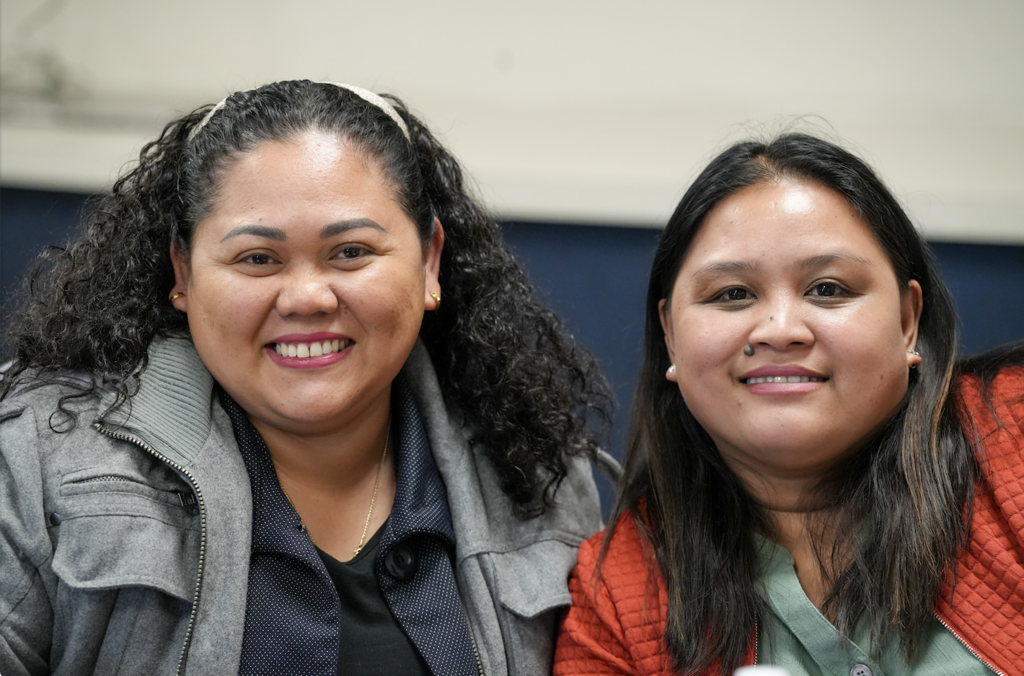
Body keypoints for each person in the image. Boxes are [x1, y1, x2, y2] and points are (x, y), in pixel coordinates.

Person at [0, 80, 615, 676]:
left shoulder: (534, 469)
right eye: (257, 259)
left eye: (350, 252)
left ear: (429, 260)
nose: (306, 297)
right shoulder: (38, 460)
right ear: (183, 271)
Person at [554, 133, 1024, 676]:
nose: (780, 330)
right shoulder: (615, 593)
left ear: (906, 321)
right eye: (732, 294)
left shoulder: (1012, 436)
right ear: (671, 337)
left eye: (828, 289)